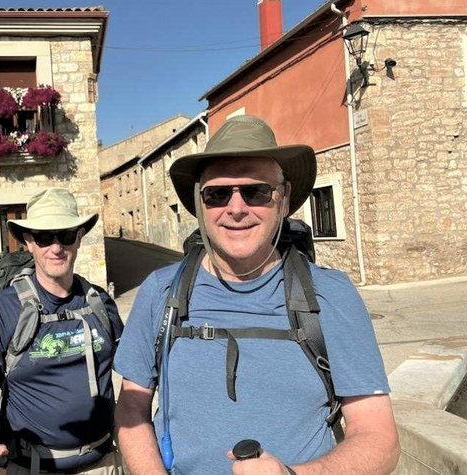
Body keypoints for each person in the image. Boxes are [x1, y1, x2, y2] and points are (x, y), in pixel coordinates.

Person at [113, 115, 400, 475]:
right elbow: (131, 408)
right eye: (217, 194)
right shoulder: (160, 292)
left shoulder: (331, 294)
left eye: (256, 191)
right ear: (201, 204)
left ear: (284, 200)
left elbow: (379, 438)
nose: (236, 209)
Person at [0, 188, 124, 475]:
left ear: (80, 238)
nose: (56, 247)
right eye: (44, 237)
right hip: (29, 467)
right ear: (28, 241)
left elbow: (137, 378)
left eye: (66, 235)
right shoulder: (3, 309)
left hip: (105, 464)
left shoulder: (101, 303)